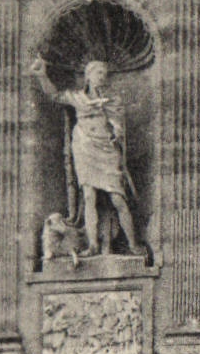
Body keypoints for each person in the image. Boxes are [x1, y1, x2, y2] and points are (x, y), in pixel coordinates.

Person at [31, 55, 144, 257]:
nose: (103, 77)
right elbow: (55, 96)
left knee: (118, 198)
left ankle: (134, 244)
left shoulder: (112, 100)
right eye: (99, 73)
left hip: (107, 150)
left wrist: (116, 133)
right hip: (85, 147)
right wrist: (42, 75)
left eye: (105, 74)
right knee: (89, 196)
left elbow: (119, 125)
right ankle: (92, 246)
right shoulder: (78, 97)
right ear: (88, 76)